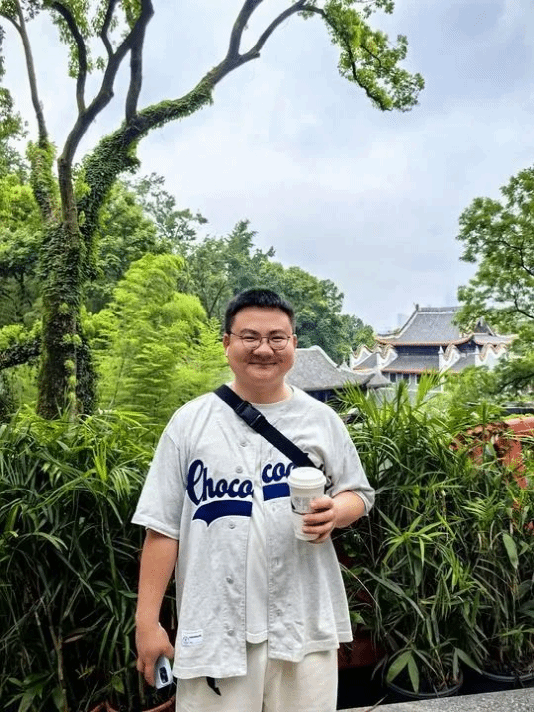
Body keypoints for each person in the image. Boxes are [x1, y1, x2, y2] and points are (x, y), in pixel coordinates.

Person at [133, 288, 374, 712]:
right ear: (227, 342)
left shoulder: (322, 420)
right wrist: (147, 623)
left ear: (293, 344)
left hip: (303, 622)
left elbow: (359, 493)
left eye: (277, 338)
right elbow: (163, 528)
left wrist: (337, 512)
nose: (264, 349)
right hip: (214, 625)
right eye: (250, 337)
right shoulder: (190, 423)